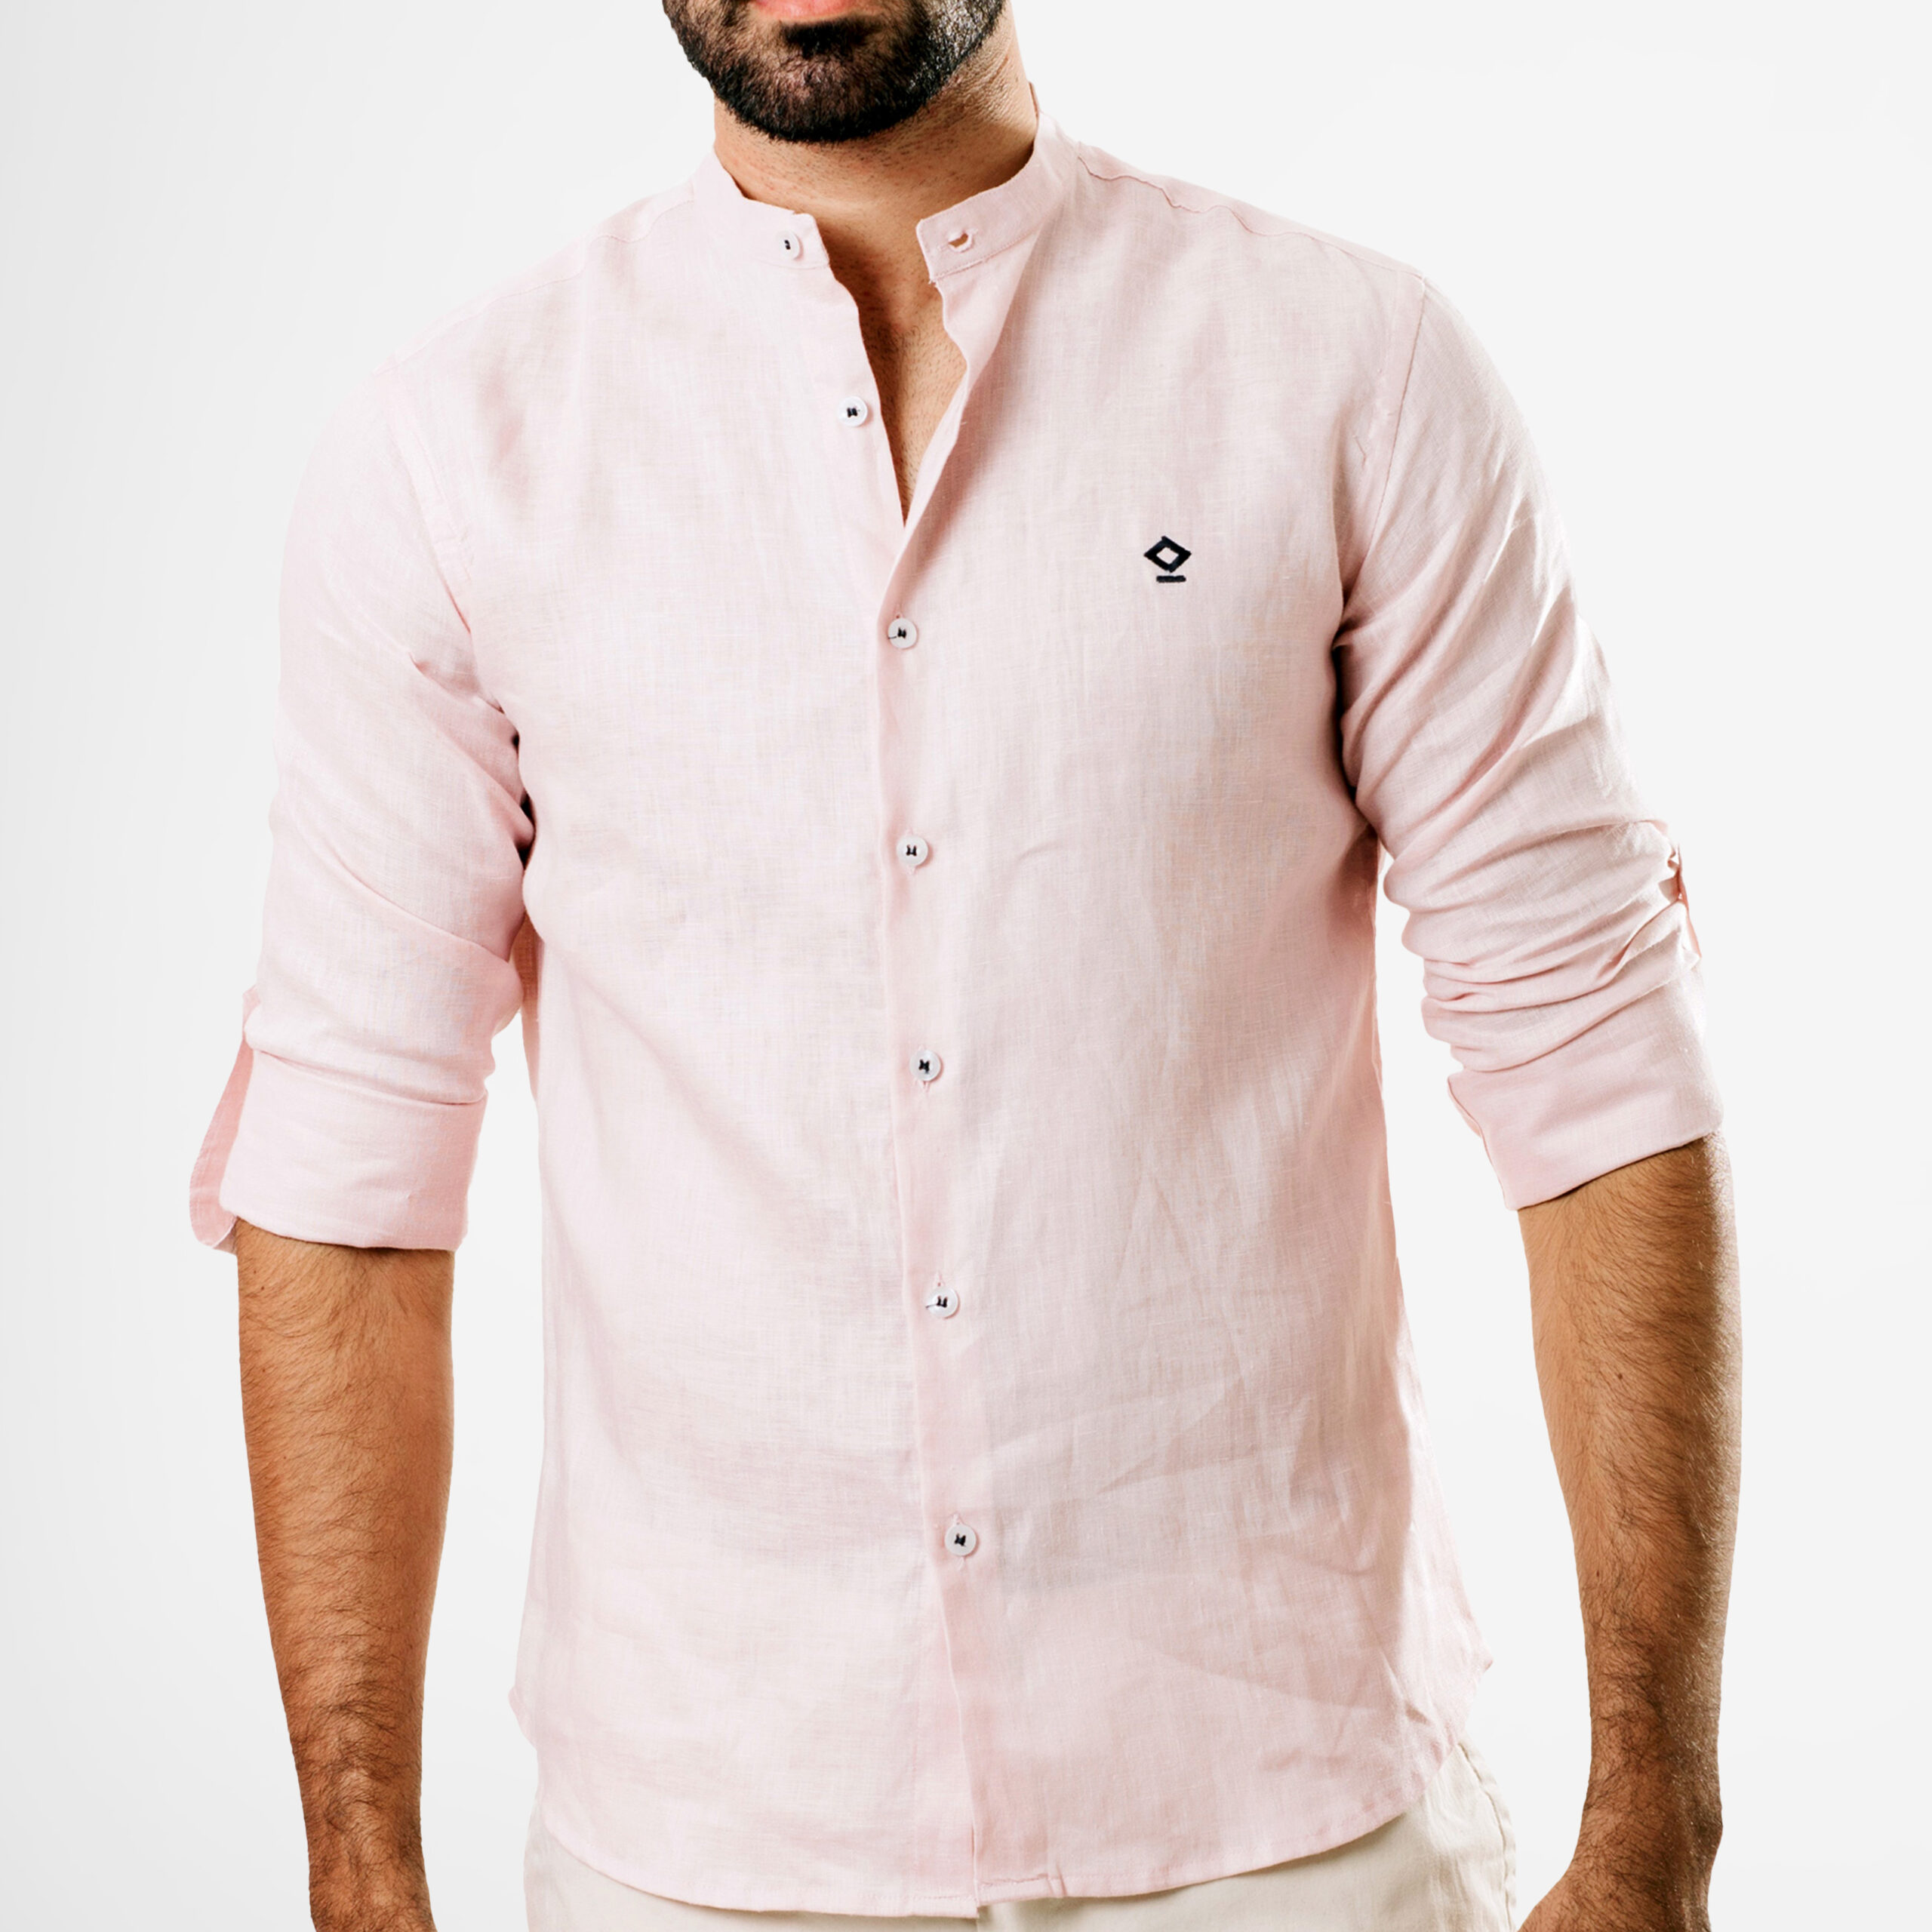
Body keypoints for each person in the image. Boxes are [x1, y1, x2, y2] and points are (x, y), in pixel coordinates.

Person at [190, 1, 1742, 1927]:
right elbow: (347, 1160)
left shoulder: (1347, 369)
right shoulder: (452, 452)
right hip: (699, 1835)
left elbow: (1592, 1059)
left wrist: (1655, 1823)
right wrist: (360, 1871)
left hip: (1289, 1824)